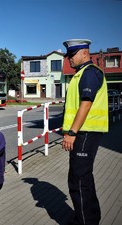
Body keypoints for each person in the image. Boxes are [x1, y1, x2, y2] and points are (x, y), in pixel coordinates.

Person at [62, 39, 108, 225]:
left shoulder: (89, 73)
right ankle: (86, 217)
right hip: (83, 132)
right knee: (80, 177)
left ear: (84, 53)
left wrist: (72, 133)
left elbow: (86, 104)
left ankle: (86, 221)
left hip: (85, 132)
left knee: (79, 179)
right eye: (68, 56)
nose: (69, 59)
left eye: (72, 55)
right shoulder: (81, 74)